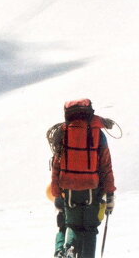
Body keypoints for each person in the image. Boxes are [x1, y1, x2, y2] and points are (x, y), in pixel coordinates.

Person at [48, 99, 116, 258]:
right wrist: (110, 194)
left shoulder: (62, 133)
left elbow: (56, 166)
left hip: (69, 189)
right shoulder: (98, 134)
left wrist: (57, 193)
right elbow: (106, 166)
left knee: (73, 225)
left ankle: (70, 248)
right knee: (90, 230)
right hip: (91, 190)